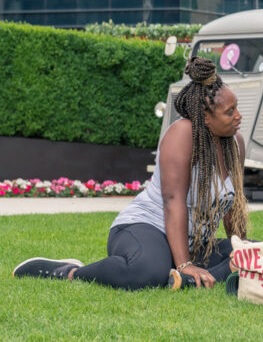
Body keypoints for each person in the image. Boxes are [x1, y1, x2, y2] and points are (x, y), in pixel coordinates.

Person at [13, 57, 249, 291]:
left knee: (261, 254)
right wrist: (185, 263)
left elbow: (232, 204)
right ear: (206, 117)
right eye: (230, 112)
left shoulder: (235, 143)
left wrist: (241, 247)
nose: (238, 116)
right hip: (146, 228)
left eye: (236, 108)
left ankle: (182, 279)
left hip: (194, 243)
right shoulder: (183, 133)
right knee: (145, 273)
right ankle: (68, 272)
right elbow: (172, 200)